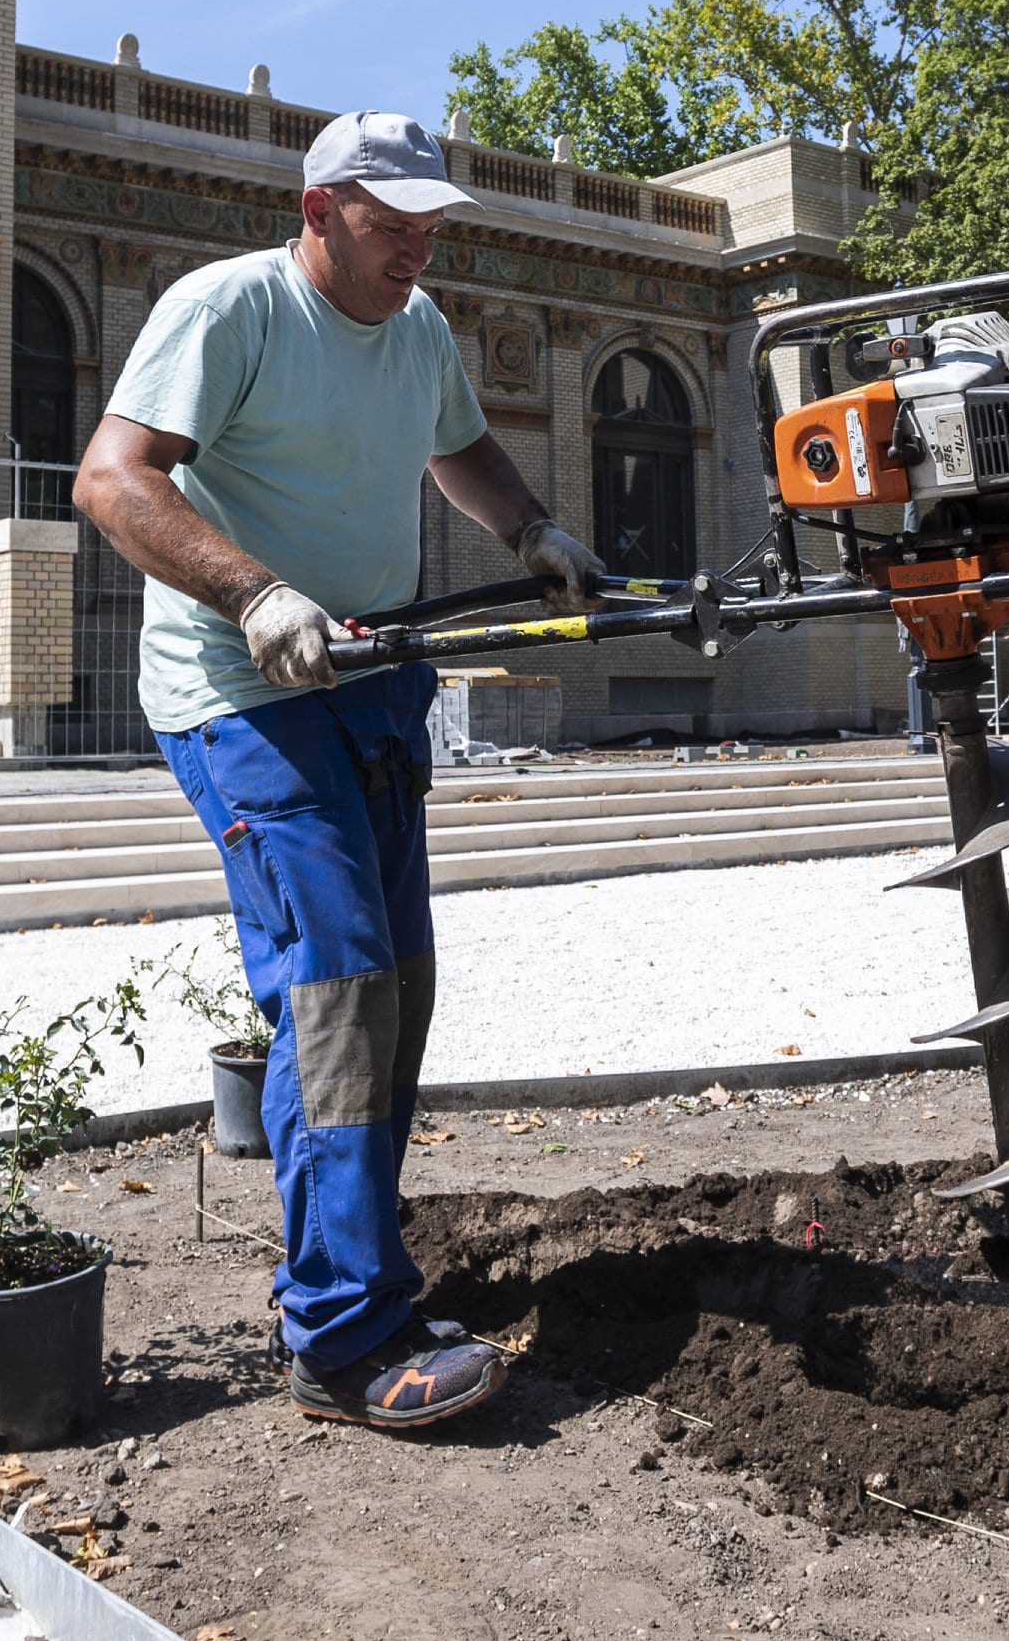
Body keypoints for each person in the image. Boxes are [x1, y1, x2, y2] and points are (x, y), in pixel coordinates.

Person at [75, 109, 615, 1432]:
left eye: (431, 230)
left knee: (390, 990)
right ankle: (339, 1339)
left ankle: (345, 1263)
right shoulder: (231, 312)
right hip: (243, 697)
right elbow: (110, 480)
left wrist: (534, 526)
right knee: (338, 995)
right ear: (318, 213)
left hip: (370, 690)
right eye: (391, 229)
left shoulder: (418, 328)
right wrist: (255, 594)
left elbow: (458, 446)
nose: (415, 254)